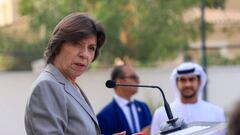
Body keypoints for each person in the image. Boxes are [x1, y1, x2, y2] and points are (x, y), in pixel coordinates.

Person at [24, 12, 123, 135]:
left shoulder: (70, 85)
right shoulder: (47, 86)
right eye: (76, 44)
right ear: (58, 44)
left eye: (91, 48)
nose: (85, 55)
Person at [151, 62, 225, 135]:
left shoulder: (216, 112)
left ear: (199, 82)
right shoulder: (161, 113)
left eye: (192, 79)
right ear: (176, 82)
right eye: (183, 80)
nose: (187, 84)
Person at [97, 65, 152, 135]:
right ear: (119, 81)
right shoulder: (104, 115)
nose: (138, 81)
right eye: (133, 77)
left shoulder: (143, 107)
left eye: (137, 78)